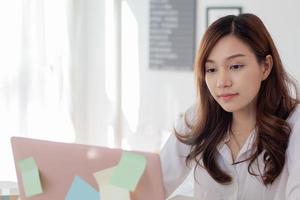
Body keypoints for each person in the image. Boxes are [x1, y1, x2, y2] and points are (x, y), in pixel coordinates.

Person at [160, 13, 300, 200]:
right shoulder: (197, 117)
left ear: (265, 67)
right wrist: (116, 168)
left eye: (235, 66)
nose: (221, 82)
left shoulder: (294, 124)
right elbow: (151, 180)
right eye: (211, 69)